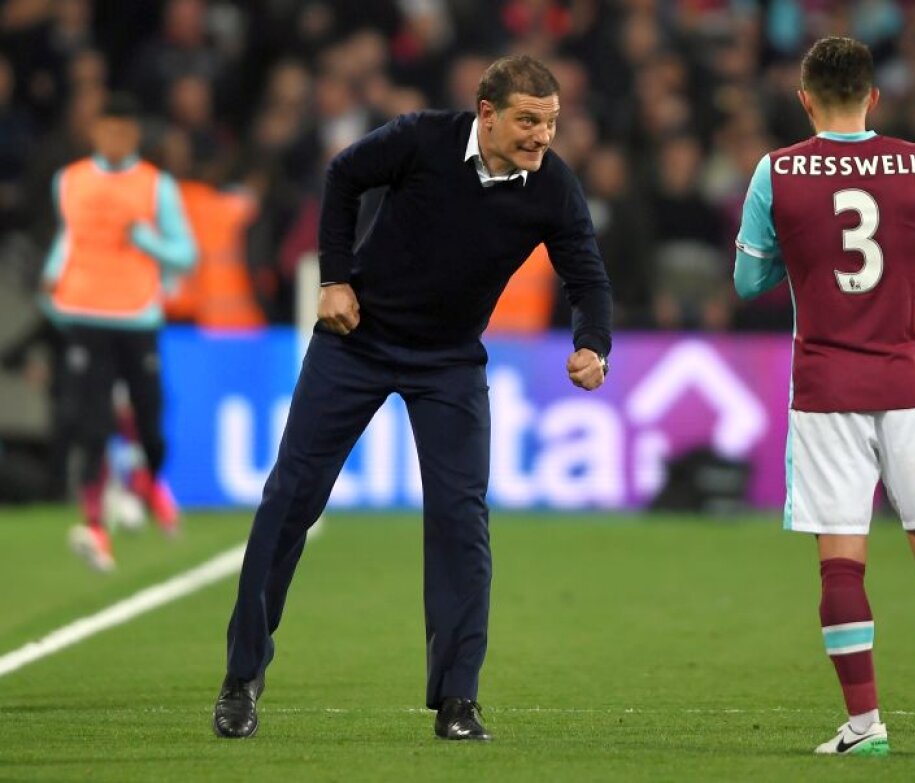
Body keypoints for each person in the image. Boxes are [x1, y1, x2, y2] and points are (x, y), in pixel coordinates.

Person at [212, 55, 612, 741]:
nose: (542, 136)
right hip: (357, 342)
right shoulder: (422, 138)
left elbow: (587, 276)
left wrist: (593, 344)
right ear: (487, 113)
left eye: (550, 123)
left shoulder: (553, 186)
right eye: (528, 121)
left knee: (462, 521)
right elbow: (343, 175)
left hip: (450, 362)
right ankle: (241, 676)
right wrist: (334, 279)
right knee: (290, 498)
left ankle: (458, 699)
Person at [733, 37, 915, 757]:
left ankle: (864, 725)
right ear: (874, 97)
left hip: (826, 386)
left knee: (841, 559)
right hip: (908, 380)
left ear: (805, 99)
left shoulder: (777, 171)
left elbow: (748, 283)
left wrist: (803, 256)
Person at [41, 92, 196, 572]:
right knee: (90, 425)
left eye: (121, 131)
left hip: (136, 317)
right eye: (105, 129)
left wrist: (145, 240)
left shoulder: (156, 186)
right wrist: (52, 283)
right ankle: (94, 528)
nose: (112, 139)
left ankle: (149, 483)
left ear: (134, 135)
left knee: (150, 423)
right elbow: (71, 238)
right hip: (85, 314)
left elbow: (186, 254)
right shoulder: (69, 181)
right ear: (95, 131)